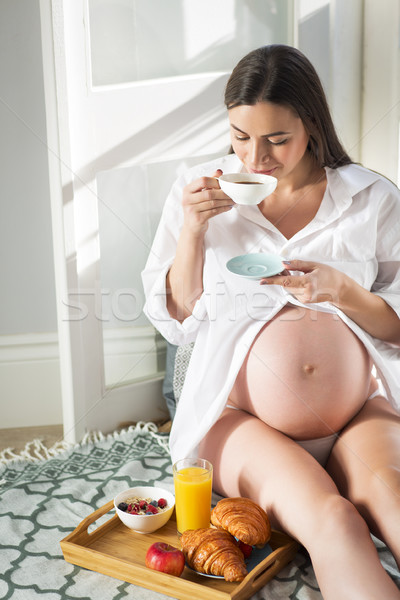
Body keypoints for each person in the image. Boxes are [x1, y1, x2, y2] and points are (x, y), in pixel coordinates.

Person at [141, 44, 400, 599]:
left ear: (311, 124)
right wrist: (192, 232)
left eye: (276, 139)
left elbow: (397, 327)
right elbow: (178, 318)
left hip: (358, 414)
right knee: (336, 523)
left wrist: (345, 292)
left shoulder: (371, 198)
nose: (254, 158)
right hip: (239, 420)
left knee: (396, 507)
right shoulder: (200, 194)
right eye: (239, 135)